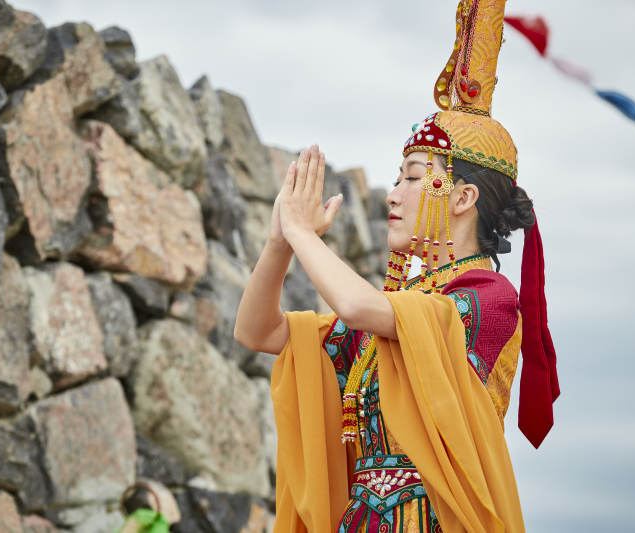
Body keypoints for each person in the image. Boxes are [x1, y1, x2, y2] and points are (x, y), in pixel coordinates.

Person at [234, 0, 559, 531]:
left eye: (411, 176)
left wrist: (301, 231)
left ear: (461, 197)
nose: (394, 194)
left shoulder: (487, 299)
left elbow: (361, 306)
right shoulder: (394, 316)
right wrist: (279, 243)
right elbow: (256, 330)